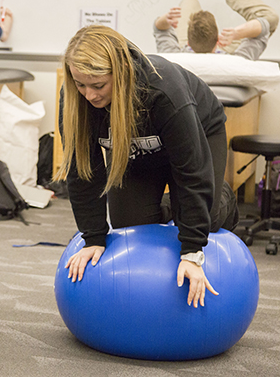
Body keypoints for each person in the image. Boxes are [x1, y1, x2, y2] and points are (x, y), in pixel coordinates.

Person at [55, 25, 239, 308]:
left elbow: (192, 172)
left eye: (99, 85)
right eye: (81, 85)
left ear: (121, 72)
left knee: (206, 219)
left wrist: (192, 253)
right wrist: (92, 237)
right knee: (130, 227)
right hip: (138, 151)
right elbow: (84, 172)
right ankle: (174, 206)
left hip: (199, 133)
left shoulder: (161, 91)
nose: (89, 95)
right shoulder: (75, 101)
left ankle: (221, 196)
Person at [153, 0, 279, 61]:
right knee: (270, 17)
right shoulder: (236, 62)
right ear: (218, 40)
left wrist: (164, 20)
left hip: (189, 55)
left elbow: (160, 31)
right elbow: (267, 23)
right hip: (224, 55)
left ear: (188, 43)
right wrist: (236, 34)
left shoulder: (174, 59)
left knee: (189, 2)